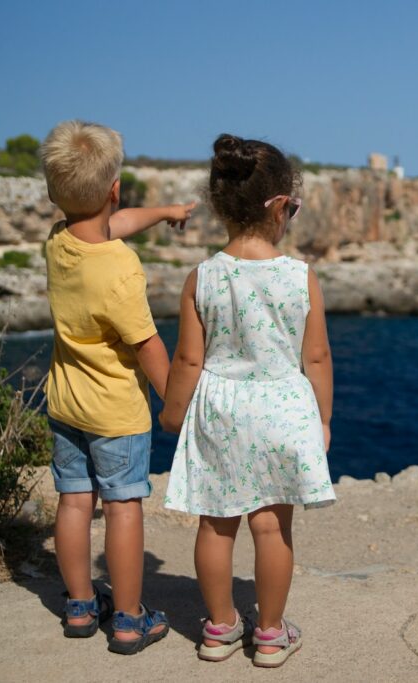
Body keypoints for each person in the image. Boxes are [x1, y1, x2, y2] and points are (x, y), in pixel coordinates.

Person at [159, 133, 335, 668]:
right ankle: (271, 635)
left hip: (221, 408)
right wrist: (322, 422)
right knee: (271, 526)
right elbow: (319, 357)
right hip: (281, 408)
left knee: (216, 523)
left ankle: (219, 628)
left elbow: (188, 360)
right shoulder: (300, 276)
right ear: (281, 206)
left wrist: (171, 412)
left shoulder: (203, 277)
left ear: (219, 206)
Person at [40, 119, 195, 655]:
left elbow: (110, 224)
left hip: (65, 406)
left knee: (74, 501)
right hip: (116, 415)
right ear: (114, 188)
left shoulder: (58, 242)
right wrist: (179, 409)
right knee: (123, 506)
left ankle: (81, 606)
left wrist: (165, 213)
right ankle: (129, 619)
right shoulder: (120, 269)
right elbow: (148, 345)